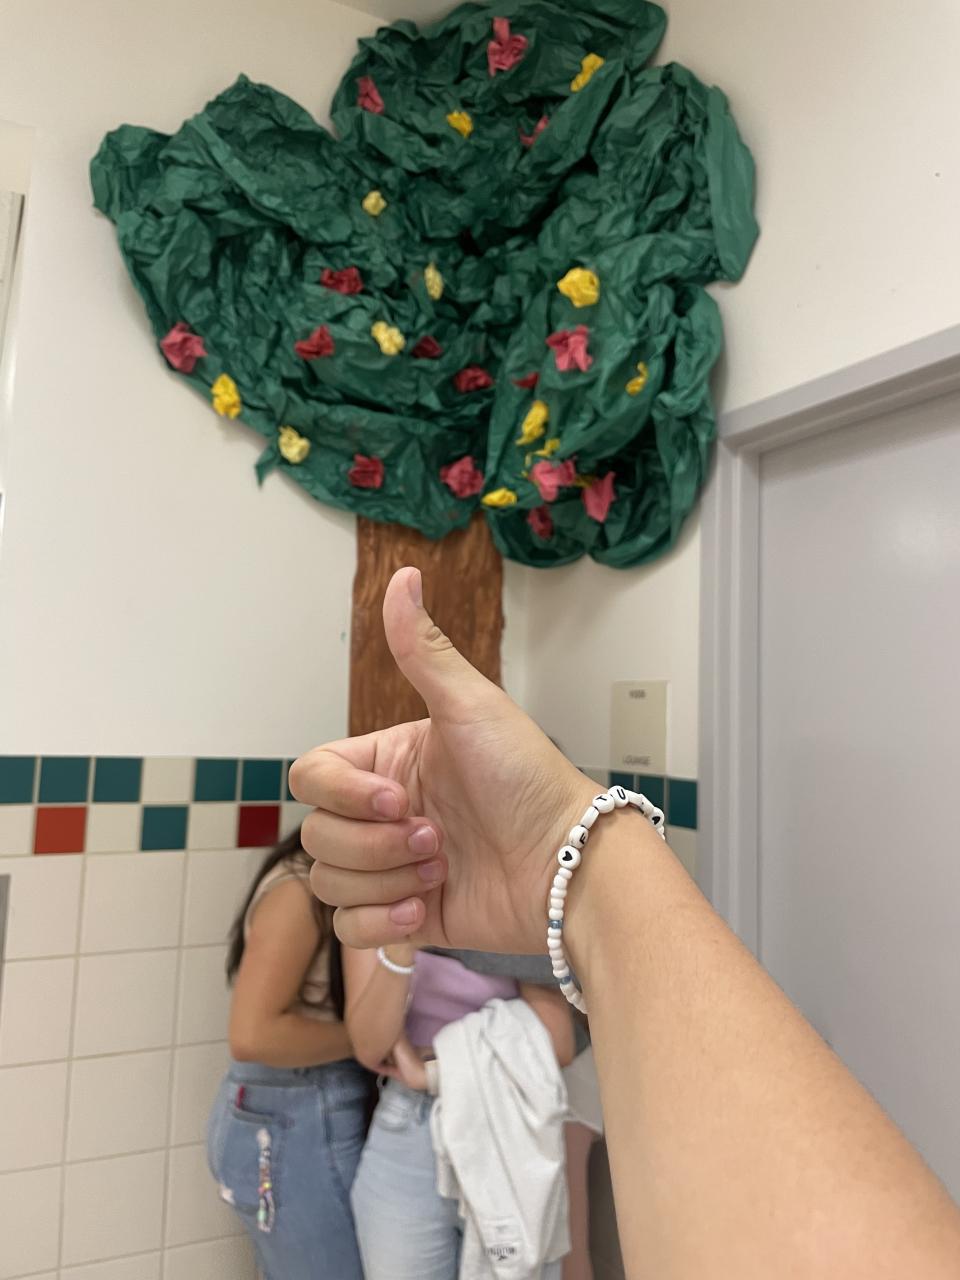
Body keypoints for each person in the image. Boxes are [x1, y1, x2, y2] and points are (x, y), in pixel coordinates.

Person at [291, 567, 960, 1280]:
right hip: (404, 1130)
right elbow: (372, 1038)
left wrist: (567, 851)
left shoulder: (518, 913)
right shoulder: (396, 898)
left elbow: (556, 1027)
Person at [345, 940, 575, 1279]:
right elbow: (370, 1047)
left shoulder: (511, 915)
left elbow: (557, 1043)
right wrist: (401, 948)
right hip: (408, 1129)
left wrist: (432, 1072)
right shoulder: (375, 916)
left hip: (506, 1124)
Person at [206, 832, 371, 1279]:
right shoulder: (302, 888)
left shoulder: (335, 882)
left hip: (284, 1115)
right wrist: (374, 1040)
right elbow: (254, 1035)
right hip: (292, 1117)